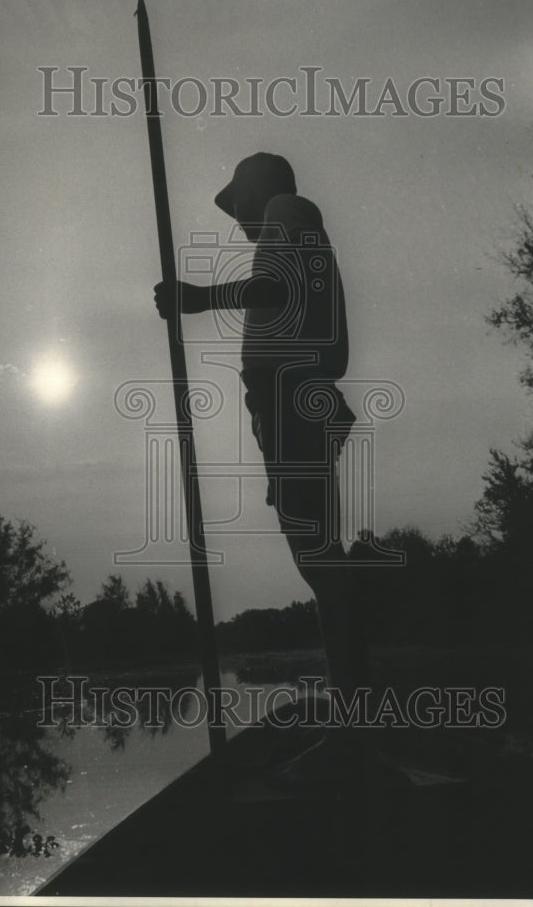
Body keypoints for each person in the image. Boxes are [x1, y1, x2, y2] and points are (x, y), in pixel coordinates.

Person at [154, 152, 371, 780]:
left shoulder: (287, 211)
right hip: (287, 409)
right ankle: (349, 725)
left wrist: (199, 300)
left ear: (258, 193)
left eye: (238, 203)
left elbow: (279, 288)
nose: (240, 219)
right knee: (317, 563)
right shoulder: (286, 223)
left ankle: (351, 733)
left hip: (292, 406)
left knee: (323, 566)